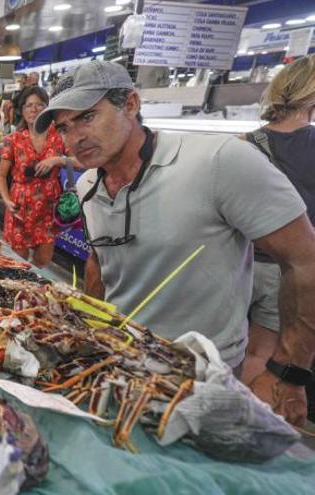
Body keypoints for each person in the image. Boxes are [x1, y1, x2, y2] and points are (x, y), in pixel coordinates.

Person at [34, 60, 315, 426]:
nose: (75, 138)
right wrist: (87, 332)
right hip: (116, 367)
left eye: (87, 117)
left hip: (200, 380)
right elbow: (99, 262)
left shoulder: (218, 161)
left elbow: (304, 261)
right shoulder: (88, 185)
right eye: (65, 127)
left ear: (131, 104)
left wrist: (289, 374)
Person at [239, 55, 315, 390]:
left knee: (227, 346)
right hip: (287, 268)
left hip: (240, 262)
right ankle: (244, 426)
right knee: (264, 353)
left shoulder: (245, 143)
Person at [0, 86, 74, 267]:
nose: (34, 109)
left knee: (42, 260)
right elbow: (0, 175)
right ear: (22, 110)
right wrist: (6, 200)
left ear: (47, 108)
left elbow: (81, 161)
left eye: (39, 105)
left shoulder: (60, 136)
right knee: (18, 262)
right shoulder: (13, 139)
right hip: (19, 208)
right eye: (29, 105)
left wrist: (57, 160)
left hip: (48, 207)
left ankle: (33, 291)